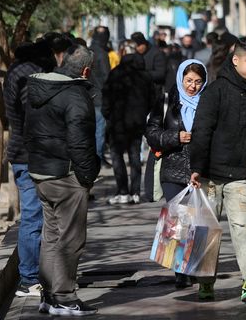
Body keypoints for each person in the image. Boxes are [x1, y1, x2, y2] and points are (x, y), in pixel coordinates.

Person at [188, 37, 246, 303]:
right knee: (206, 230)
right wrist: (197, 169)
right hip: (210, 176)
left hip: (240, 174)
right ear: (235, 60)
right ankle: (205, 282)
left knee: (243, 227)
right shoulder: (215, 92)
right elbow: (201, 132)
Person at [25, 44, 100, 316]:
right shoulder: (76, 95)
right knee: (70, 239)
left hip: (41, 173)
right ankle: (65, 297)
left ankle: (49, 295)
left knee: (52, 236)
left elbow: (26, 131)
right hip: (66, 176)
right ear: (86, 70)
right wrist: (87, 177)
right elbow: (81, 141)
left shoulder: (37, 90)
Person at [145, 59, 209, 294]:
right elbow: (151, 133)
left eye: (198, 82)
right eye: (189, 81)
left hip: (200, 171)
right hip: (172, 170)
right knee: (178, 221)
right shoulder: (166, 101)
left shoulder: (209, 102)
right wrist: (175, 137)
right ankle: (180, 272)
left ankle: (196, 266)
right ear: (181, 78)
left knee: (198, 222)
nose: (193, 86)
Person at [4, 41, 52, 298]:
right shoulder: (29, 74)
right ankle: (29, 279)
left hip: (23, 152)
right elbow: (30, 114)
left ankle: (32, 275)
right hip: (29, 154)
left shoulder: (15, 70)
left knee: (34, 216)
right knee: (33, 217)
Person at [102, 51, 157, 205]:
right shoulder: (145, 76)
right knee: (135, 156)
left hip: (117, 122)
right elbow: (152, 99)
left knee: (117, 156)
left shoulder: (115, 74)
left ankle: (122, 191)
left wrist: (107, 115)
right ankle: (136, 192)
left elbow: (106, 96)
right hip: (137, 123)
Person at [89, 26, 111, 160]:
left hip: (87, 95)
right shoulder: (102, 54)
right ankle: (97, 158)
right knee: (99, 130)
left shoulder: (87, 51)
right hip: (99, 97)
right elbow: (106, 77)